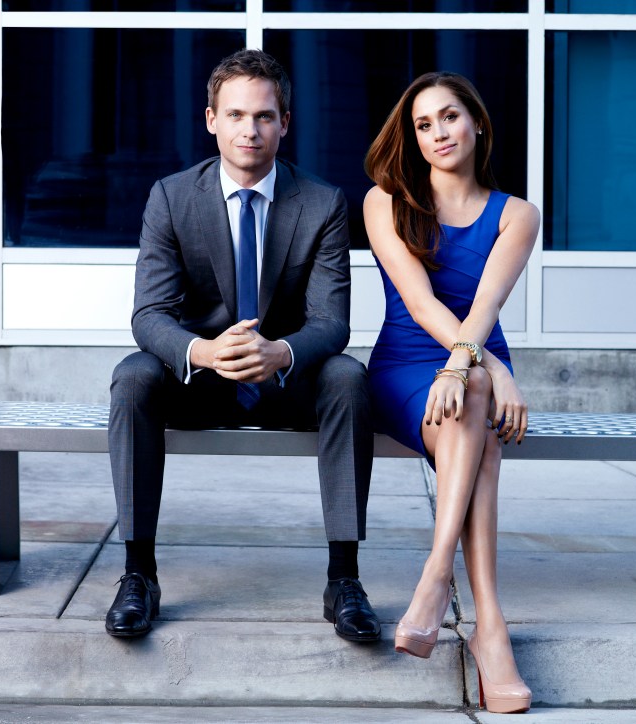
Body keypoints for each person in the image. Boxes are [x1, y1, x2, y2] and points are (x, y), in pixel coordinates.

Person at [105, 49, 380, 645]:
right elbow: (149, 314)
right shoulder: (173, 197)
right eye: (235, 115)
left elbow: (333, 322)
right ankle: (138, 573)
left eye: (263, 116)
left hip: (286, 386)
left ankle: (344, 579)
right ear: (211, 120)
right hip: (201, 381)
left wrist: (281, 352)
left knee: (348, 376)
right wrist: (202, 352)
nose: (249, 130)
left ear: (286, 122)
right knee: (132, 376)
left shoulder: (324, 202)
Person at [363, 72, 540, 713]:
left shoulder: (517, 214)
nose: (438, 133)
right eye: (424, 124)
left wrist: (469, 368)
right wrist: (487, 371)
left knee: (474, 414)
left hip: (472, 363)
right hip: (406, 367)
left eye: (449, 118)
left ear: (478, 123)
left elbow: (486, 301)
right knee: (477, 404)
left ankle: (451, 596)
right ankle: (479, 619)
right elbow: (419, 300)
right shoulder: (384, 200)